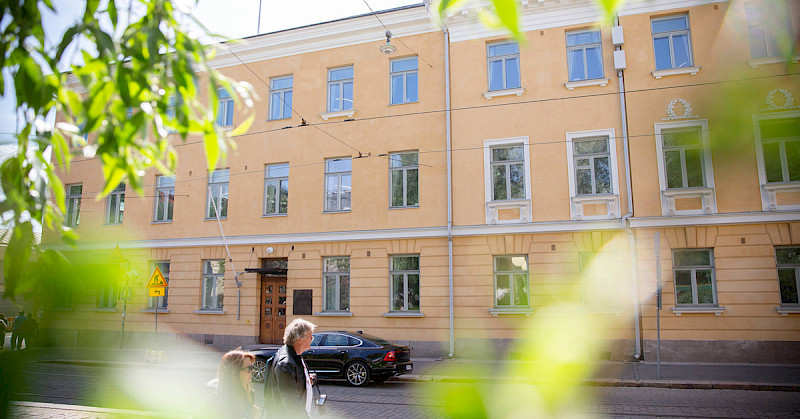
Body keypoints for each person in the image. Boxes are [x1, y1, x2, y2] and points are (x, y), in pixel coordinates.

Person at [264, 318, 316, 418]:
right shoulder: (286, 364)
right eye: (310, 336)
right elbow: (291, 404)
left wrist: (305, 380)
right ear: (299, 339)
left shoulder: (294, 354)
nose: (312, 339)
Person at [205, 348, 260, 419]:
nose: (252, 371)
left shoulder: (248, 393)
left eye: (252, 367)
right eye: (248, 368)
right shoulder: (216, 402)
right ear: (234, 372)